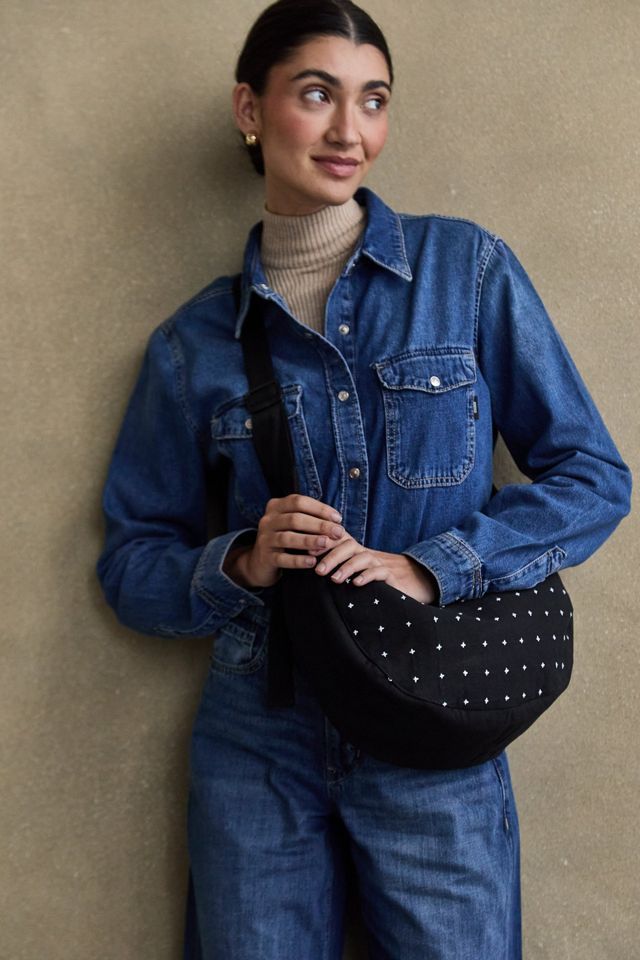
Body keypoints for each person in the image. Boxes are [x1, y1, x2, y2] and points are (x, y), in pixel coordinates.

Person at [96, 1, 632, 957]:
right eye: (317, 94)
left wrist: (434, 566)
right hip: (259, 737)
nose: (351, 130)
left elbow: (593, 476)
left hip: (433, 717)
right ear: (250, 109)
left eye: (374, 100)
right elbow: (131, 564)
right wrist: (240, 562)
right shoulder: (191, 345)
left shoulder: (464, 271)